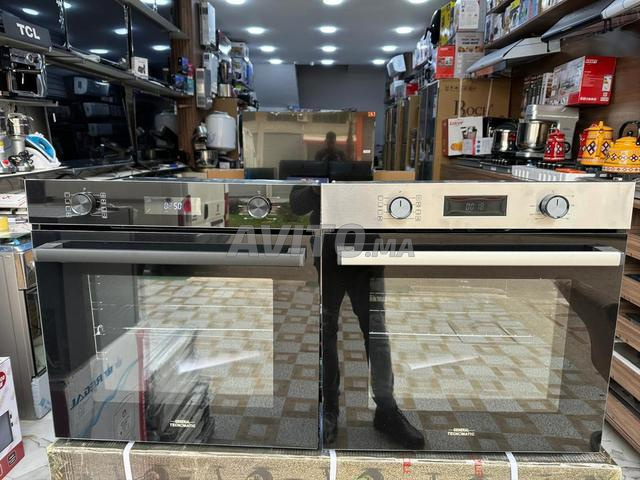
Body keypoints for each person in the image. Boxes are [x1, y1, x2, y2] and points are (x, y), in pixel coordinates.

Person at [289, 185, 425, 450]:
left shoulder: (373, 162)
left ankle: (386, 410)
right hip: (327, 251)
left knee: (376, 333)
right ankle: (329, 410)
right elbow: (296, 204)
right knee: (325, 331)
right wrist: (318, 188)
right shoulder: (313, 167)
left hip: (368, 249)